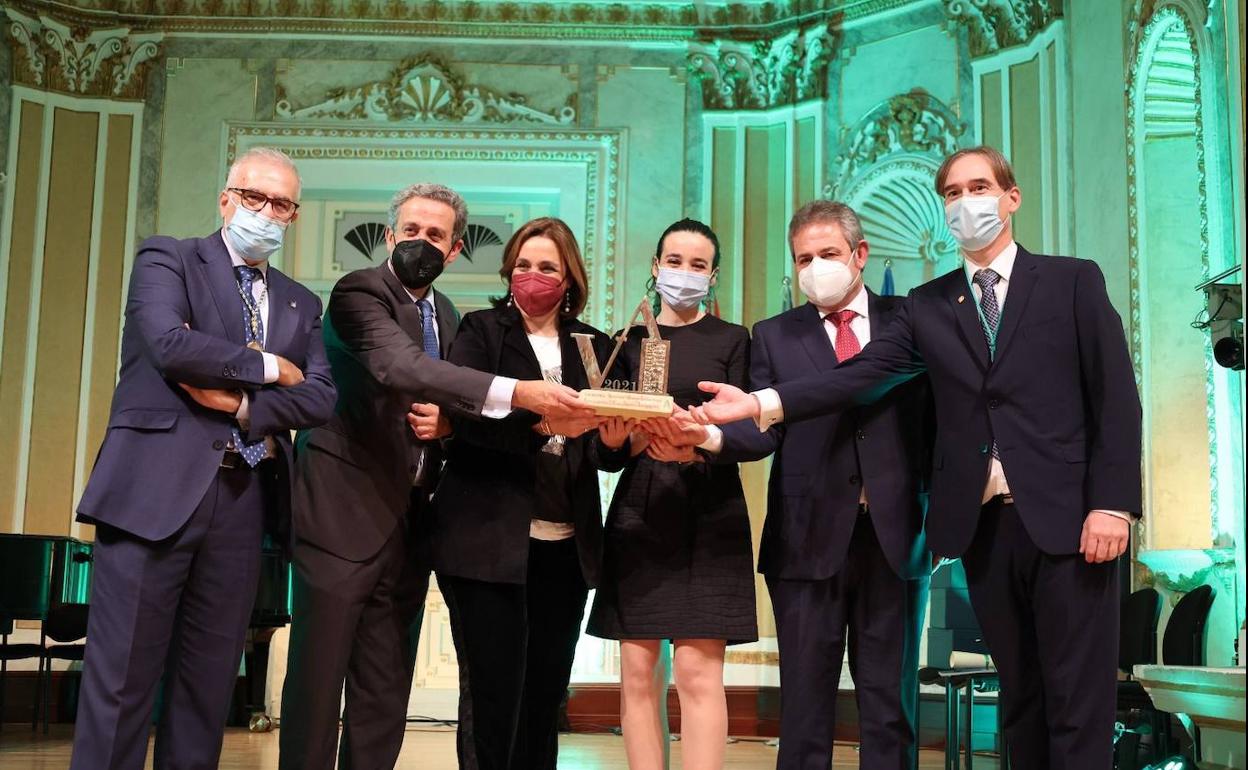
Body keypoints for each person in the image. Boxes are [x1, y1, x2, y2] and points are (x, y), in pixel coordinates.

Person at [689, 146, 1142, 770]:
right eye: (951, 193)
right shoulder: (930, 304)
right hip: (983, 529)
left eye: (977, 187)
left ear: (1011, 197)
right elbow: (864, 373)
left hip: (1071, 520)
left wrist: (1113, 504)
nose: (965, 203)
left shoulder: (1072, 280)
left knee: (1079, 702)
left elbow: (1115, 398)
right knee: (1022, 700)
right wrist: (760, 403)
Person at [278, 193, 595, 770]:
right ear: (390, 234)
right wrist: (518, 392)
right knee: (318, 683)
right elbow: (400, 367)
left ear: (453, 251)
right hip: (342, 512)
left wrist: (450, 425)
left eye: (435, 235)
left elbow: (446, 410)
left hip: (413, 521)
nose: (419, 242)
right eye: (410, 228)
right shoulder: (358, 292)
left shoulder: (446, 313)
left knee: (385, 688)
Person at [71, 147, 337, 770]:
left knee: (206, 691)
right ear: (225, 199)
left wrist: (244, 406)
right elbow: (169, 343)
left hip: (244, 504)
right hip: (152, 494)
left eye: (281, 204)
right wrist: (272, 369)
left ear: (294, 215)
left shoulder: (302, 301)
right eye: (254, 198)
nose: (266, 213)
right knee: (121, 685)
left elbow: (322, 397)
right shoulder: (169, 257)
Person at [693, 200, 934, 769]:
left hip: (896, 537)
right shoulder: (774, 334)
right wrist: (706, 438)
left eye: (828, 254)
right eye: (804, 258)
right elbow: (761, 433)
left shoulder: (912, 320)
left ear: (860, 255)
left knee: (889, 703)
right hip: (804, 540)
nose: (816, 267)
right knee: (804, 705)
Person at [427, 216, 630, 770]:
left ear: (569, 280)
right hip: (486, 540)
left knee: (544, 697)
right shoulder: (481, 330)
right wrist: (539, 425)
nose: (533, 277)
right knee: (493, 695)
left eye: (547, 267)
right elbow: (464, 416)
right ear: (508, 270)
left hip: (566, 545)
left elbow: (607, 449)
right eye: (523, 265)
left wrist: (613, 441)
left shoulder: (596, 345)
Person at [587, 218, 757, 770]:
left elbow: (755, 435)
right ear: (656, 268)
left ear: (713, 277)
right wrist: (614, 441)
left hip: (710, 512)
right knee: (638, 673)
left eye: (698, 265)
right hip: (639, 511)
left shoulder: (735, 340)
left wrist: (699, 441)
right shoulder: (626, 342)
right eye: (675, 262)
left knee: (697, 672)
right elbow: (605, 451)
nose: (685, 273)